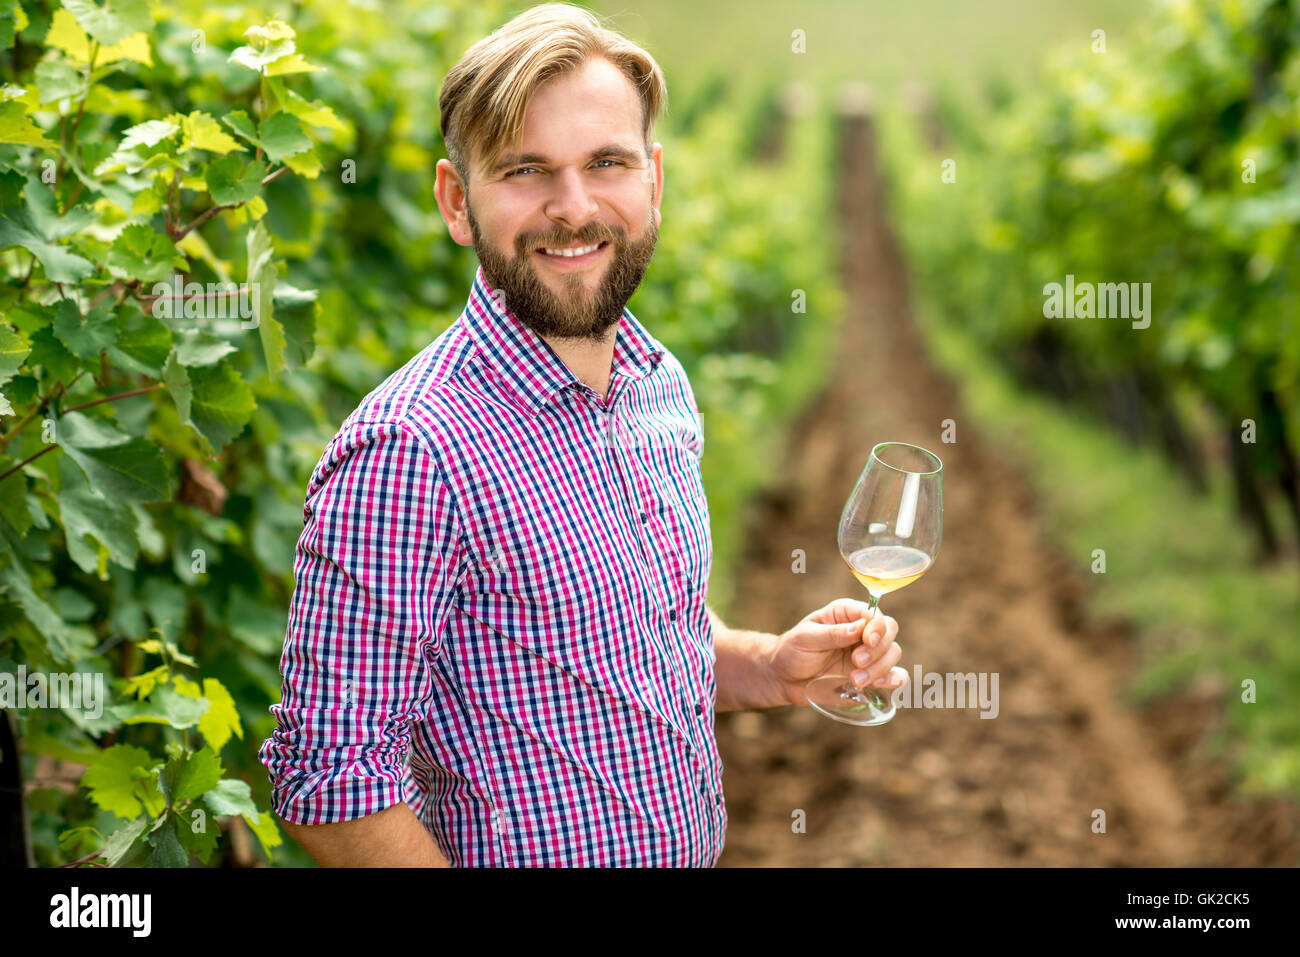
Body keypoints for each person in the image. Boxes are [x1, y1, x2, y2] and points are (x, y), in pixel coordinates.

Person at [258, 1, 904, 867]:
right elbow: (330, 781)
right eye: (526, 171)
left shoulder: (656, 385)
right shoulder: (412, 450)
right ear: (457, 202)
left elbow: (637, 641)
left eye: (607, 162)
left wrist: (767, 667)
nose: (573, 207)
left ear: (654, 182)